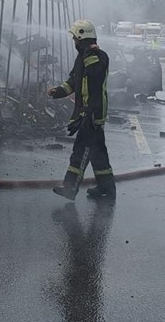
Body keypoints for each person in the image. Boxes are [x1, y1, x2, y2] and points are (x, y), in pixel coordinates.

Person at [48, 19, 115, 201]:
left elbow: (95, 74)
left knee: (81, 151)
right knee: (98, 153)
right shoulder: (82, 58)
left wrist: (89, 52)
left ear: (82, 37)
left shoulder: (99, 57)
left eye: (76, 39)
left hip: (92, 114)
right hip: (85, 112)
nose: (74, 42)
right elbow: (73, 82)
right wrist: (58, 91)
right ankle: (106, 189)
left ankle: (70, 187)